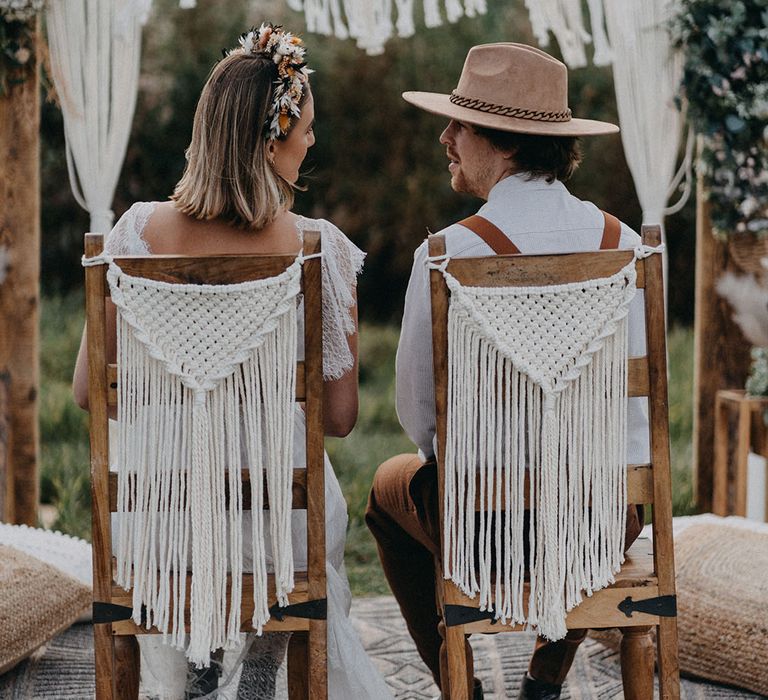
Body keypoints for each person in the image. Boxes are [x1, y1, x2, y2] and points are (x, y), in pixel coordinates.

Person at [73, 23, 393, 700]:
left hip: (157, 511)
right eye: (305, 128)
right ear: (273, 137)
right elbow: (338, 420)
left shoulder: (130, 233)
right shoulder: (319, 249)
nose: (310, 141)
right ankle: (258, 674)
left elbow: (83, 389)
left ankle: (208, 654)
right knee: (299, 509)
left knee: (215, 493)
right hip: (277, 514)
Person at [366, 42, 649, 700]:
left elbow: (417, 413)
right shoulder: (627, 246)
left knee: (386, 491)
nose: (446, 137)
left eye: (458, 125)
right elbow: (637, 415)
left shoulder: (445, 256)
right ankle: (545, 678)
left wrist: (473, 466)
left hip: (487, 528)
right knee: (587, 473)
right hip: (607, 523)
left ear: (506, 142)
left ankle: (457, 686)